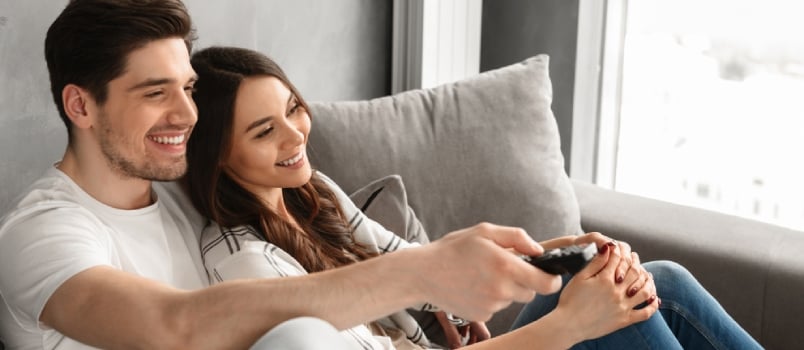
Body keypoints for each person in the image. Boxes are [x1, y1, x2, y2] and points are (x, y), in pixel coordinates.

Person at [0, 1, 621, 348]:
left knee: (655, 286)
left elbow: (305, 215)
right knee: (295, 338)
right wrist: (423, 273)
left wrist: (527, 259)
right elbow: (177, 326)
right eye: (155, 92)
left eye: (188, 88)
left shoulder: (185, 191)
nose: (185, 113)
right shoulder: (42, 233)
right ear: (81, 105)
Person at [183, 46, 763, 350]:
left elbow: (419, 268)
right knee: (618, 318)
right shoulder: (245, 264)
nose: (295, 135)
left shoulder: (310, 192)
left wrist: (567, 252)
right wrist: (570, 325)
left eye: (292, 109)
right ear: (217, 155)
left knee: (661, 281)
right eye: (264, 132)